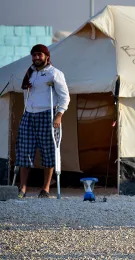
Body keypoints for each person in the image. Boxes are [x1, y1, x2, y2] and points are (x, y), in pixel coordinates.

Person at [16, 44, 70, 199]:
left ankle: (45, 188)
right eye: (34, 55)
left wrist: (59, 115)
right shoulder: (30, 72)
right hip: (29, 113)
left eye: (39, 55)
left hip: (48, 114)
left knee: (49, 151)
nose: (36, 58)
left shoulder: (55, 73)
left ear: (47, 56)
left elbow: (64, 96)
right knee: (24, 151)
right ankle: (23, 188)